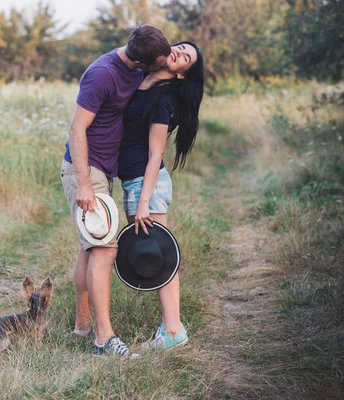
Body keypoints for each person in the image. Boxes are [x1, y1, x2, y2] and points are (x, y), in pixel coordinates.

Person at [60, 25, 171, 358]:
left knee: (90, 247)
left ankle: (82, 327)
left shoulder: (137, 69)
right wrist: (83, 182)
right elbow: (77, 128)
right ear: (141, 62)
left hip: (105, 172)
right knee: (105, 249)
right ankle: (104, 340)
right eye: (158, 64)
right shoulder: (101, 75)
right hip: (86, 168)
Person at [118, 41, 205, 350]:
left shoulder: (164, 100)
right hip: (134, 180)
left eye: (186, 58)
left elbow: (156, 154)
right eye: (180, 47)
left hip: (147, 183)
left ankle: (173, 330)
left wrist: (144, 201)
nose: (179, 53)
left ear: (182, 74)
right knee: (151, 252)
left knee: (158, 254)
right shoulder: (142, 76)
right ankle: (172, 327)